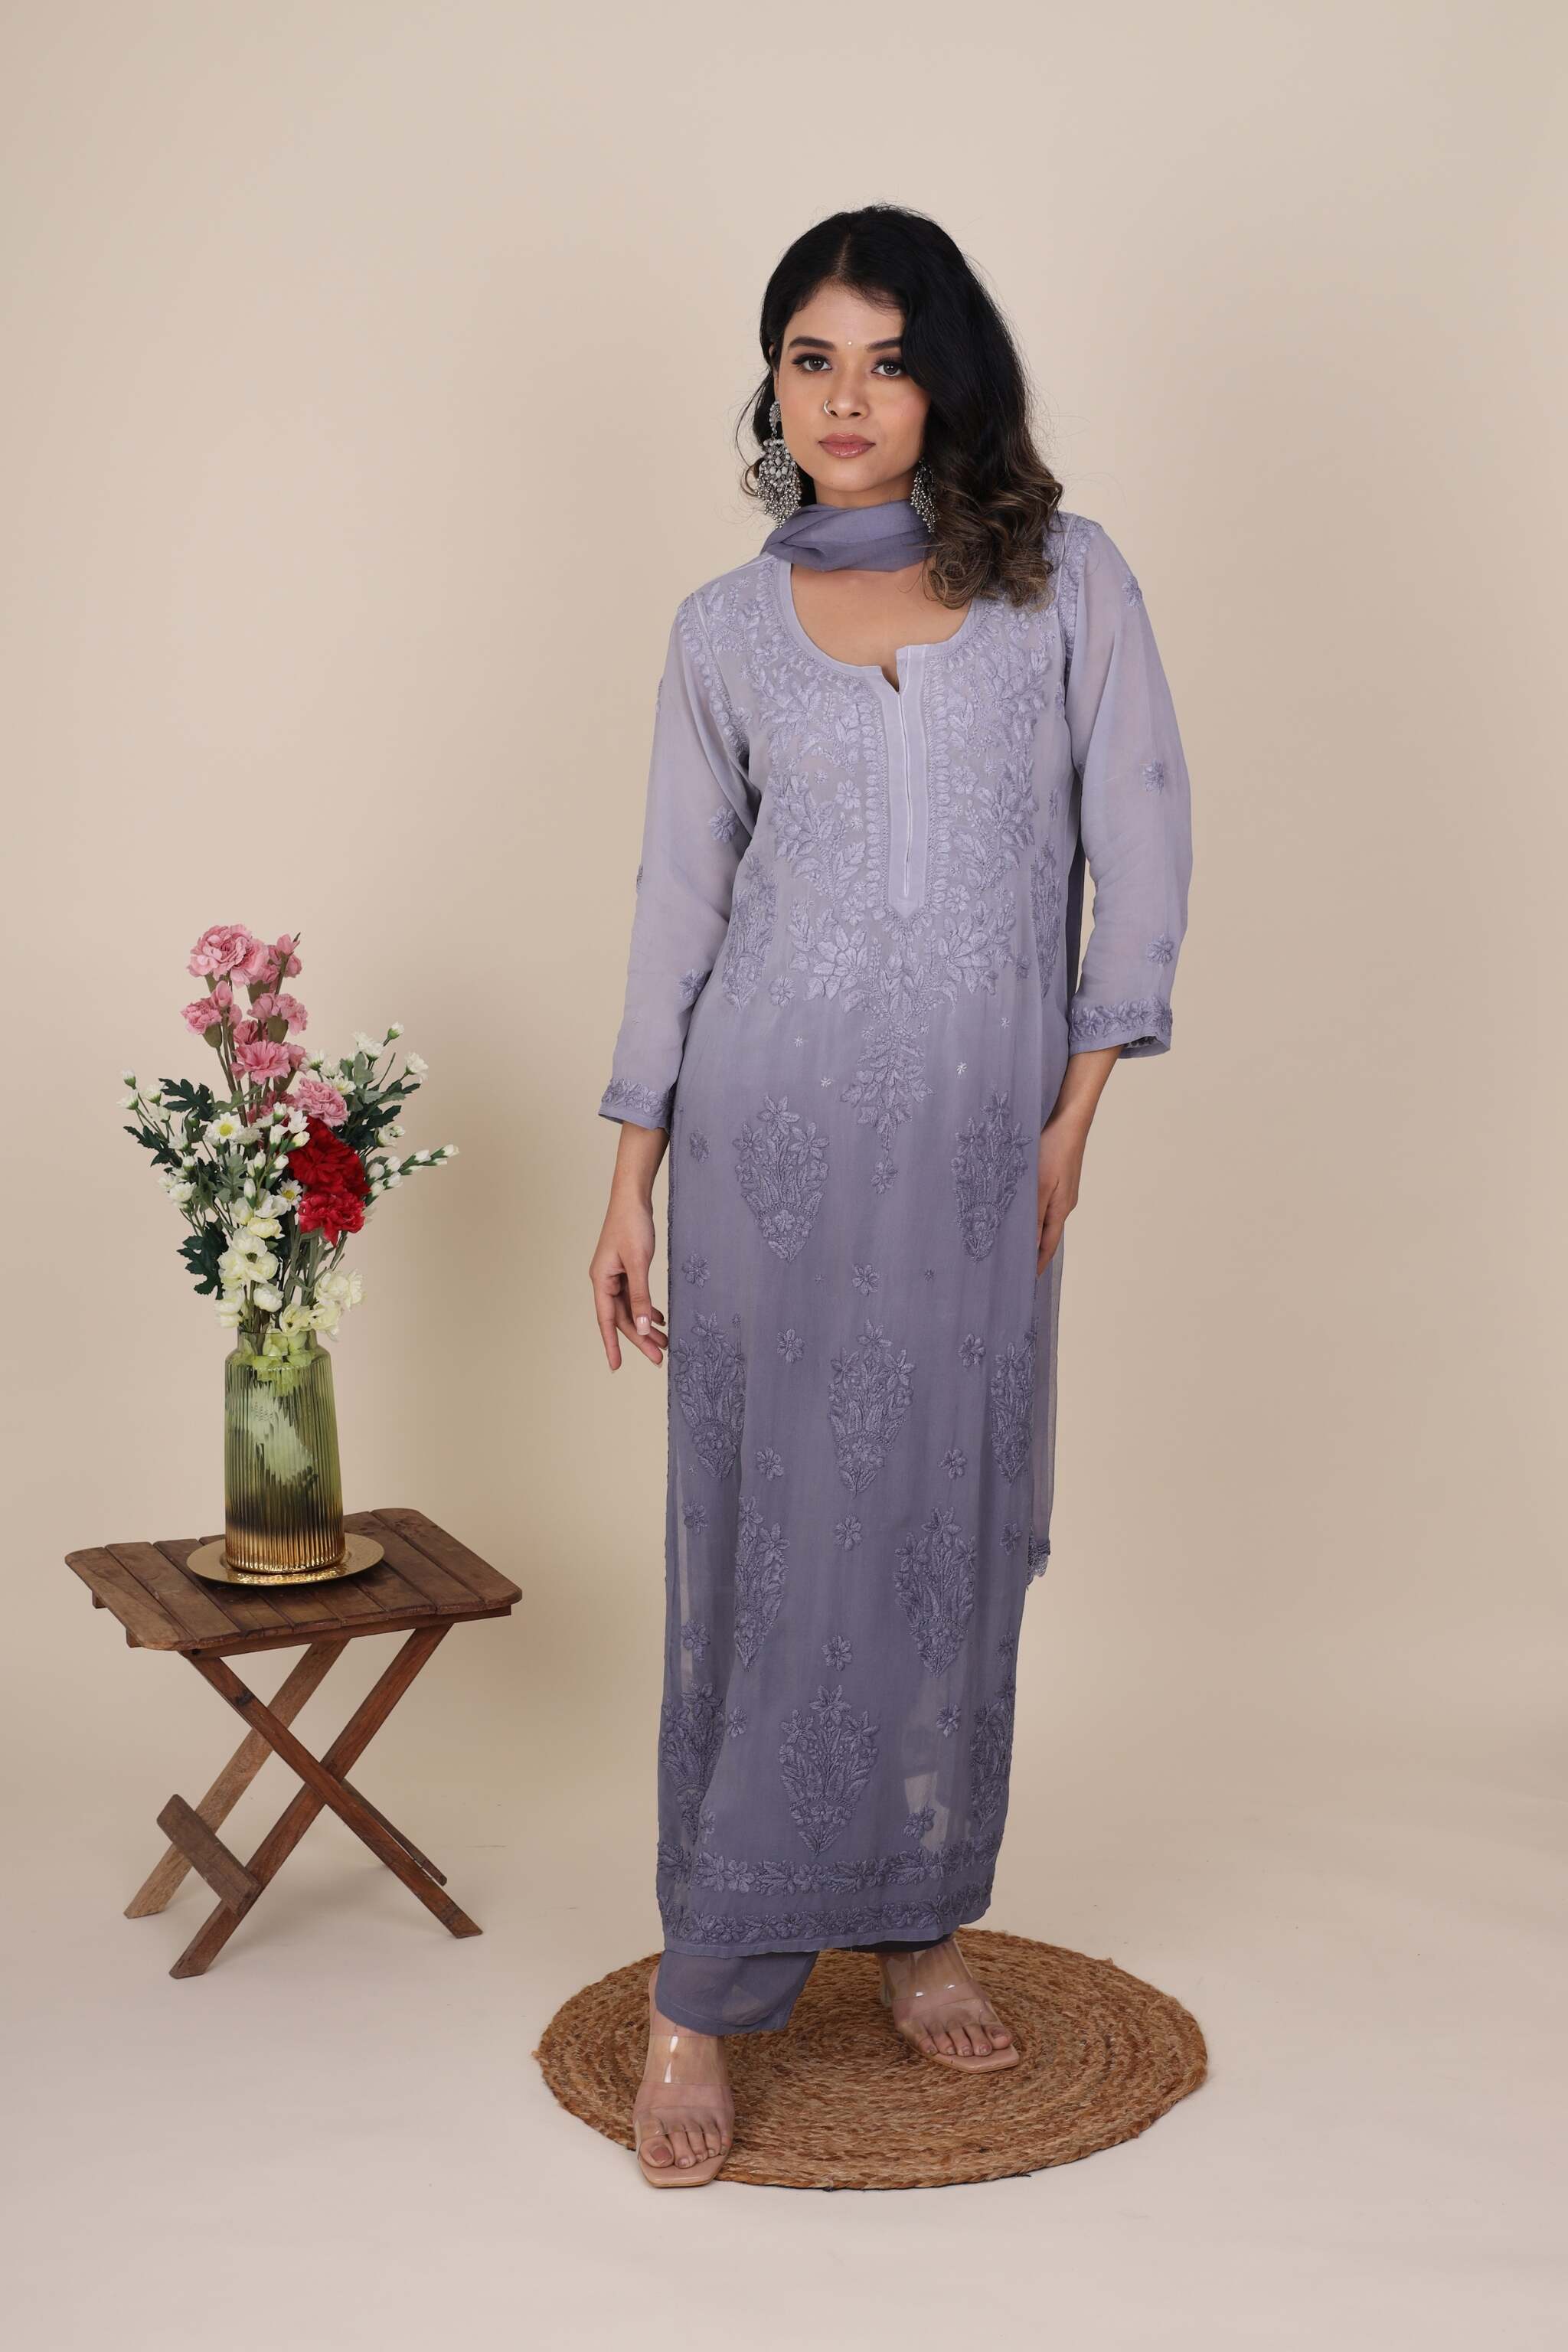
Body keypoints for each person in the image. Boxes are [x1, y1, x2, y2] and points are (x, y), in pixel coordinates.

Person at [589, 204, 1193, 2187]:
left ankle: (917, 1909)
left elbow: (1145, 841)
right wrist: (628, 1181)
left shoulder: (1065, 587)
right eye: (807, 358)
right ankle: (708, 1982)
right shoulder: (720, 630)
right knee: (770, 1548)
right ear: (773, 385)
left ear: (950, 378)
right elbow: (682, 911)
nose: (843, 399)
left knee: (945, 1534)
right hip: (766, 1147)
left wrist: (1075, 1115)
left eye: (883, 357)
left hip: (969, 1161)